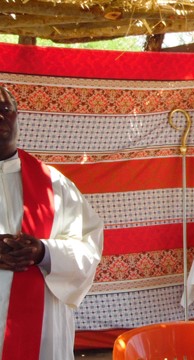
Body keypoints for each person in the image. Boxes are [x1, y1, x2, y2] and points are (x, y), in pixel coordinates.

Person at [0, 86, 104, 360]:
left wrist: (44, 252)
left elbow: (88, 250)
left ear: (17, 116)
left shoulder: (56, 186)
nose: (0, 118)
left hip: (44, 331)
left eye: (5, 110)